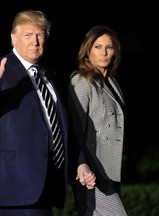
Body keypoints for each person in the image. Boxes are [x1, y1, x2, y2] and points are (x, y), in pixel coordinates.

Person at [0, 10, 68, 216]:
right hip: (17, 182)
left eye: (40, 35)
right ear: (13, 38)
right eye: (28, 35)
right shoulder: (0, 69)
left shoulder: (49, 75)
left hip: (48, 181)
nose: (35, 42)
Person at [67, 25, 128, 216]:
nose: (104, 52)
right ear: (87, 50)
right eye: (97, 46)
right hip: (92, 172)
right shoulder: (81, 81)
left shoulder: (111, 82)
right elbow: (74, 131)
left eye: (109, 47)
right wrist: (81, 165)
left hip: (111, 170)